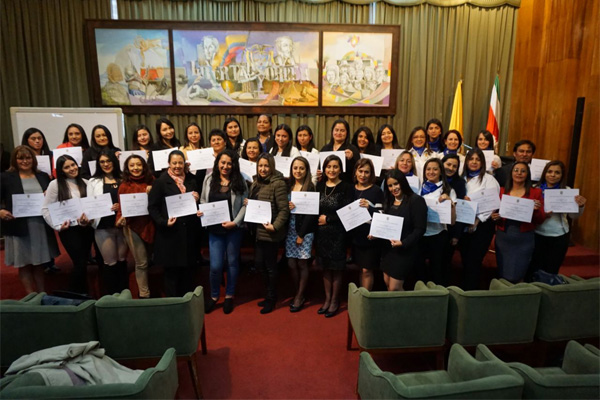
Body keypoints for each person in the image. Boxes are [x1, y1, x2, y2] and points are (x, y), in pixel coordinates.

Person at [1, 146, 60, 293]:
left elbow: (53, 198)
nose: (25, 161)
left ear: (33, 159)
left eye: (28, 158)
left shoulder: (43, 176)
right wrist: (0, 211)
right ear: (14, 160)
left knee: (39, 262)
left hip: (39, 224)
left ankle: (41, 293)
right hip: (18, 225)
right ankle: (31, 295)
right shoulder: (5, 177)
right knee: (24, 263)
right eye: (20, 158)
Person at [200, 150, 248, 314]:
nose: (225, 166)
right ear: (217, 163)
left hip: (233, 228)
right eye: (223, 162)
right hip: (214, 228)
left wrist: (235, 222)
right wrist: (202, 211)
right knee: (215, 266)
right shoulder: (209, 179)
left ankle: (229, 295)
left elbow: (245, 205)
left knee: (232, 262)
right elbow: (203, 200)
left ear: (233, 165)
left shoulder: (240, 180)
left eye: (229, 163)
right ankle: (214, 296)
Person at [148, 150, 200, 297]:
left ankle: (188, 302)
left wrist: (196, 199)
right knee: (171, 273)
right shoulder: (160, 182)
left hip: (188, 233)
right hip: (170, 234)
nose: (177, 166)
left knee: (188, 272)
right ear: (169, 164)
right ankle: (173, 303)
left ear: (184, 164)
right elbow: (152, 207)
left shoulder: (191, 180)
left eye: (180, 163)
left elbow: (196, 204)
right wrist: (164, 222)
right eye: (174, 163)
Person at [42, 155, 94, 295]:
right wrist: (57, 226)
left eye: (73, 165)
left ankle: (80, 294)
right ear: (61, 170)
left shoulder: (86, 182)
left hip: (86, 229)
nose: (72, 168)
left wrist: (89, 219)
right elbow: (45, 209)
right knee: (79, 262)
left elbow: (91, 206)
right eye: (67, 167)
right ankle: (76, 295)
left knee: (83, 262)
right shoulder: (55, 184)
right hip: (69, 230)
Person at [247, 153, 289, 314]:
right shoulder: (255, 182)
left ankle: (272, 298)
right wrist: (248, 203)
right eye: (260, 166)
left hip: (270, 233)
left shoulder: (278, 183)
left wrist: (275, 226)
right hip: (257, 232)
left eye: (266, 166)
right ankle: (268, 294)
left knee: (270, 267)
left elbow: (284, 210)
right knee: (259, 264)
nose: (263, 169)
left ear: (272, 166)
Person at [492, 162, 546, 283]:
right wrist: (494, 217)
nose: (519, 173)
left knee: (518, 273)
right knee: (503, 271)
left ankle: (517, 293)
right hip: (504, 237)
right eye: (516, 170)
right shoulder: (501, 191)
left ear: (527, 174)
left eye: (523, 171)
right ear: (511, 173)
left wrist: (536, 211)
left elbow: (540, 219)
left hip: (524, 238)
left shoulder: (535, 192)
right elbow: (495, 213)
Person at [530, 161, 586, 276]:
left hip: (559, 235)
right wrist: (539, 212)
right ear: (544, 173)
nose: (553, 175)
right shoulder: (534, 189)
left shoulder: (568, 191)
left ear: (562, 175)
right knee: (534, 269)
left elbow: (573, 216)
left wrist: (580, 206)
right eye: (549, 171)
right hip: (537, 234)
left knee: (552, 270)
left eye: (557, 172)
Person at [376, 170, 427, 291]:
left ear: (402, 182)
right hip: (388, 250)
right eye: (390, 185)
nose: (393, 188)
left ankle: (405, 305)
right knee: (387, 283)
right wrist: (376, 233)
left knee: (395, 288)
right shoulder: (388, 201)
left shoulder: (416, 200)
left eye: (396, 184)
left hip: (405, 251)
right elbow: (385, 224)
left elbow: (420, 229)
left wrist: (403, 243)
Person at [315, 155, 353, 318]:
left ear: (340, 169)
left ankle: (335, 301)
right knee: (325, 268)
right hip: (321, 234)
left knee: (336, 269)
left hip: (338, 234)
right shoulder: (319, 186)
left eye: (335, 167)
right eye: (329, 167)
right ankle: (327, 299)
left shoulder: (346, 187)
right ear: (324, 169)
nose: (331, 170)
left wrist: (329, 219)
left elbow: (349, 212)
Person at [87, 150, 128, 295]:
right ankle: (111, 297)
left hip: (122, 225)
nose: (106, 164)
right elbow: (90, 204)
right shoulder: (93, 182)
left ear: (114, 162)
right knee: (110, 262)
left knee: (122, 260)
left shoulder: (123, 178)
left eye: (108, 161)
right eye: (102, 162)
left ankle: (125, 294)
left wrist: (120, 206)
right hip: (103, 226)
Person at [459, 148, 501, 289]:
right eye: (471, 159)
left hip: (482, 226)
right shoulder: (461, 178)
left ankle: (472, 293)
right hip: (463, 225)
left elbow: (492, 203)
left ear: (482, 162)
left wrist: (477, 220)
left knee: (474, 262)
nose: (474, 162)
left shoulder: (489, 179)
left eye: (478, 159)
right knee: (465, 261)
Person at [116, 155, 155, 299]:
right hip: (132, 227)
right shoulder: (124, 186)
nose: (136, 168)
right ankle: (144, 295)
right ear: (127, 168)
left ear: (144, 166)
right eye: (132, 165)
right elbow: (121, 209)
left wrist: (152, 192)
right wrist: (119, 219)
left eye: (139, 164)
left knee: (149, 259)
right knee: (141, 262)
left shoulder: (152, 181)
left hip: (150, 224)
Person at [418, 158, 456, 285]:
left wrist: (450, 203)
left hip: (438, 235)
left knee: (437, 271)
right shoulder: (419, 188)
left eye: (435, 169)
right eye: (428, 169)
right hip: (420, 234)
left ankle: (436, 295)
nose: (431, 172)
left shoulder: (448, 190)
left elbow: (452, 222)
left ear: (441, 171)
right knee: (420, 271)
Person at [286, 156, 317, 312]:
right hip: (290, 229)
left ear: (307, 170)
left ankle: (299, 295)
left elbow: (311, 215)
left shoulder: (310, 187)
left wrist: (301, 235)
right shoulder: (288, 185)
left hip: (304, 231)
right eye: (295, 168)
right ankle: (298, 290)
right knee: (291, 263)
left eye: (301, 168)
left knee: (302, 263)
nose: (298, 171)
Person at [351, 158, 383, 291]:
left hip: (370, 237)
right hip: (355, 236)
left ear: (371, 174)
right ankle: (361, 295)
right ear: (355, 172)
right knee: (360, 269)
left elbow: (381, 214)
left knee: (367, 270)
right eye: (360, 171)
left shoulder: (376, 191)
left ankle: (366, 297)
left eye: (366, 172)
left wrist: (370, 208)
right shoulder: (350, 189)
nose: (363, 175)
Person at [441, 153, 466, 286]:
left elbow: (460, 209)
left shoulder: (460, 183)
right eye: (448, 164)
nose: (451, 168)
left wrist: (456, 234)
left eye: (454, 166)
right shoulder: (433, 178)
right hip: (433, 229)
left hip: (451, 228)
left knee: (445, 263)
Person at [320, 119, 360, 184]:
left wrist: (351, 159)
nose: (339, 133)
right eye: (336, 130)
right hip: (327, 184)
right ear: (332, 131)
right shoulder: (325, 149)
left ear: (347, 133)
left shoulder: (352, 149)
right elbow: (321, 168)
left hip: (346, 184)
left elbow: (357, 170)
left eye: (342, 130)